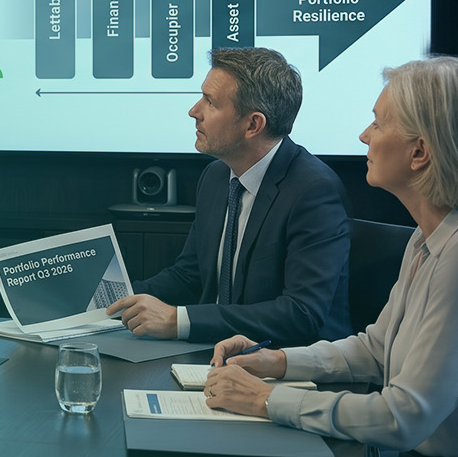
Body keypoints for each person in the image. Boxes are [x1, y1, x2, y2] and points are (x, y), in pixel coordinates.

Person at [204, 56, 458, 457]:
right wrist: (276, 362)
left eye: (377, 123)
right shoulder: (434, 235)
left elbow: (403, 417)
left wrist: (266, 399)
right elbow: (377, 350)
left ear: (420, 152)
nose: (364, 135)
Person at [106, 47, 351, 345]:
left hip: (289, 361)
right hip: (220, 352)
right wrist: (111, 300)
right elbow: (190, 276)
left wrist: (177, 321)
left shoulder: (313, 191)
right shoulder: (216, 176)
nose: (194, 111)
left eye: (210, 102)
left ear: (253, 125)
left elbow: (301, 314)